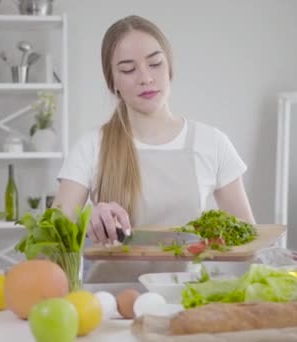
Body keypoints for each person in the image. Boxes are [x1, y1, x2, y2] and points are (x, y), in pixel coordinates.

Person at [53, 15, 255, 283]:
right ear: (112, 82)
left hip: (186, 302)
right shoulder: (91, 146)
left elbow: (248, 246)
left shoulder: (212, 143)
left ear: (170, 67)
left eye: (155, 63)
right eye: (128, 69)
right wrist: (87, 222)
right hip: (108, 307)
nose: (146, 78)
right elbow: (50, 241)